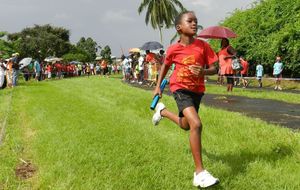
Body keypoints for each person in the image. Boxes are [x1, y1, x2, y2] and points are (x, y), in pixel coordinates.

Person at [152, 11, 219, 188]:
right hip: (179, 88)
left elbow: (214, 69)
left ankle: (163, 111)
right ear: (179, 27)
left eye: (196, 21)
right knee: (196, 124)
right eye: (190, 21)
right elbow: (165, 66)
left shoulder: (203, 46)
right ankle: (199, 173)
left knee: (186, 125)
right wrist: (158, 86)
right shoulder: (174, 48)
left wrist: (203, 71)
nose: (194, 23)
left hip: (197, 90)